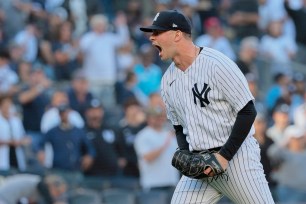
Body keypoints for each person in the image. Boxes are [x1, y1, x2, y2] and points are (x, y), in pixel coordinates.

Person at [139, 9, 275, 204]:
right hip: (201, 164)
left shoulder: (217, 64)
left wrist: (224, 156)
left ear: (177, 35)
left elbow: (247, 110)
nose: (152, 38)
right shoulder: (168, 80)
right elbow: (178, 126)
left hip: (236, 159)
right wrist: (186, 155)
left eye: (158, 32)